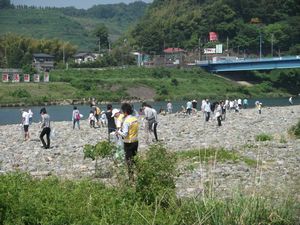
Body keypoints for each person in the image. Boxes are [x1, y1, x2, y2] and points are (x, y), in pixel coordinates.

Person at [116, 103, 139, 181]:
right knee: (135, 159)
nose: (122, 113)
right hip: (135, 141)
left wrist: (118, 131)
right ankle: (139, 173)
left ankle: (131, 178)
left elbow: (125, 134)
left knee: (128, 161)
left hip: (128, 143)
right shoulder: (134, 119)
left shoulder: (126, 121)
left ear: (125, 112)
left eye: (122, 111)